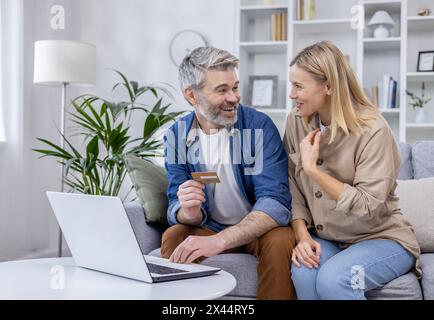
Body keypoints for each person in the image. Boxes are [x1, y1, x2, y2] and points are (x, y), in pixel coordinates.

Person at [284, 40, 421, 300]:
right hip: (329, 238)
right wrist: (302, 237)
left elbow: (368, 205)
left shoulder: (374, 130)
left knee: (335, 279)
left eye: (298, 86)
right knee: (303, 270)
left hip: (382, 238)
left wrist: (313, 171)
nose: (291, 94)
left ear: (329, 86)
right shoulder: (296, 120)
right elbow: (291, 183)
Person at [161, 47, 295, 300]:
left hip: (260, 230)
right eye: (222, 90)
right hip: (209, 226)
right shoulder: (177, 135)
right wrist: (187, 211)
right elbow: (175, 202)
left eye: (234, 87)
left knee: (280, 241)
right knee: (174, 235)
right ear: (192, 95)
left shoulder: (257, 127)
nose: (233, 97)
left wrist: (221, 241)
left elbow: (275, 202)